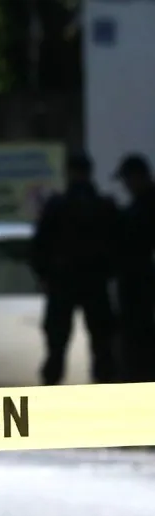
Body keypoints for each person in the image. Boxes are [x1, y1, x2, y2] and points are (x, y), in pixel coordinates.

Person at [30, 151, 119, 385]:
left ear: (68, 173)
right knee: (102, 347)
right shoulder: (104, 206)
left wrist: (44, 274)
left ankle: (51, 393)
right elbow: (118, 245)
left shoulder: (57, 206)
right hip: (95, 282)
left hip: (63, 282)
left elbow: (39, 246)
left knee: (56, 348)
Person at [112, 153, 155, 382]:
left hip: (142, 300)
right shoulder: (138, 207)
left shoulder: (143, 209)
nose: (126, 186)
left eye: (128, 180)